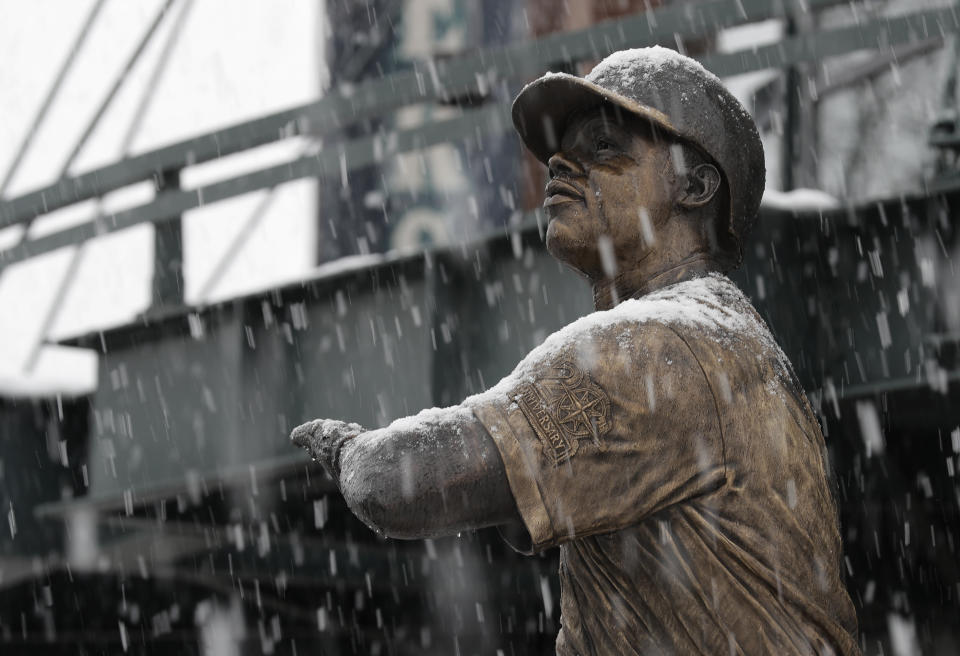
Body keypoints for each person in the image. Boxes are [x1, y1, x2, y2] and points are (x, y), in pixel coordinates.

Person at [292, 47, 860, 655]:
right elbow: (523, 509)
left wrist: (352, 453)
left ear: (694, 186)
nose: (560, 162)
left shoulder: (660, 346)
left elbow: (402, 485)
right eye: (560, 150)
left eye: (605, 146)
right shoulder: (730, 344)